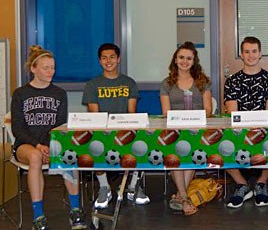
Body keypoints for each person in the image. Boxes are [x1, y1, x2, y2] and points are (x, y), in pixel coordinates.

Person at [11, 45, 87, 229]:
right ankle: (38, 216)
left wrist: (49, 145)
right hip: (26, 145)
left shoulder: (59, 93)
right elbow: (17, 129)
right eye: (46, 68)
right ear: (33, 69)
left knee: (70, 153)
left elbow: (59, 125)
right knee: (35, 158)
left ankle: (75, 209)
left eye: (53, 67)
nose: (51, 71)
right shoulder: (20, 93)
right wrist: (38, 145)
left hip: (52, 143)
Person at [82, 43, 148, 209]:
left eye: (112, 57)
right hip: (103, 132)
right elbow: (94, 116)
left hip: (124, 130)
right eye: (104, 58)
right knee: (94, 144)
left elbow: (131, 113)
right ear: (100, 61)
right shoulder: (92, 85)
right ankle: (104, 187)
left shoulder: (129, 82)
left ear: (118, 59)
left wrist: (124, 131)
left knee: (142, 142)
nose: (108, 61)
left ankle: (133, 186)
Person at [223, 36, 268, 208]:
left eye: (254, 51)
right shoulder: (232, 81)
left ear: (260, 54)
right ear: (241, 55)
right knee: (220, 143)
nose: (251, 55)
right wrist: (246, 128)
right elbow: (232, 112)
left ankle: (261, 183)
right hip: (239, 130)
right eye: (246, 51)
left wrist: (256, 128)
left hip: (264, 129)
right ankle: (242, 184)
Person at [160, 41, 213, 215]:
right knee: (177, 150)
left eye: (189, 58)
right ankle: (184, 196)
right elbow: (166, 112)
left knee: (192, 148)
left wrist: (192, 119)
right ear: (175, 60)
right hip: (175, 131)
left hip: (197, 130)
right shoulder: (167, 83)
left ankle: (180, 196)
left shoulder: (203, 82)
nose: (184, 61)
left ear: (194, 61)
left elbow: (208, 110)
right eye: (181, 57)